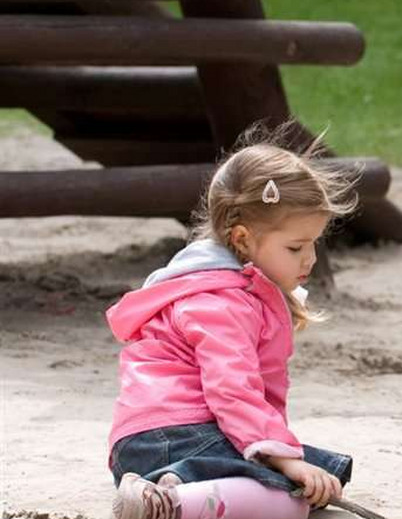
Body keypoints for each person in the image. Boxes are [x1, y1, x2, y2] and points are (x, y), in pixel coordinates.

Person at [105, 130, 359, 519]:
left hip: (154, 440)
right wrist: (283, 461)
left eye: (314, 244)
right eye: (295, 247)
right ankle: (170, 504)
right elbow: (231, 388)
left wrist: (282, 456)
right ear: (242, 238)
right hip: (172, 436)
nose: (309, 259)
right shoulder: (221, 301)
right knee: (289, 500)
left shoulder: (226, 287)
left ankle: (179, 487)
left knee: (320, 479)